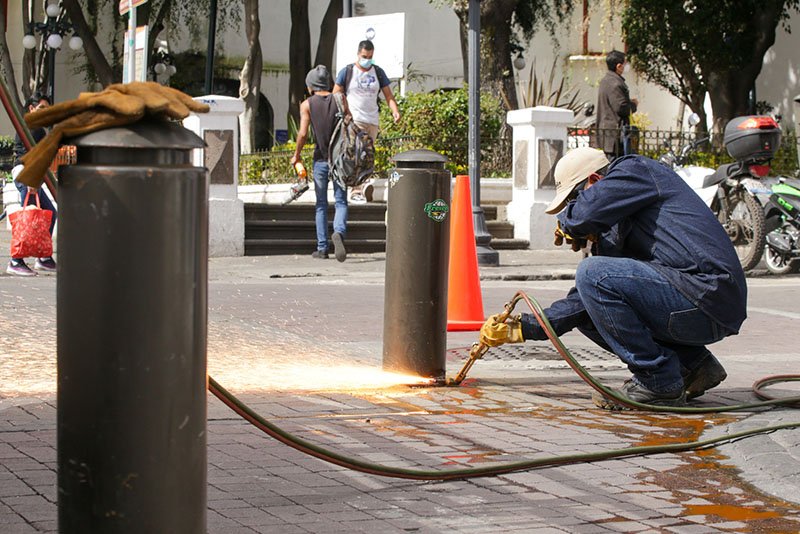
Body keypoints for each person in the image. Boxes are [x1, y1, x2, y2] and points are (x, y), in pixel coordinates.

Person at [479, 147, 745, 410]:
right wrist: (526, 327)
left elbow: (582, 220)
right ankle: (693, 366)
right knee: (592, 308)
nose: (573, 207)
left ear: (594, 180)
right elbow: (585, 300)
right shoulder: (619, 219)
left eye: (575, 198)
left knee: (591, 273)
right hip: (698, 304)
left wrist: (569, 222)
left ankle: (658, 381)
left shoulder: (635, 170)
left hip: (707, 293)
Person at [291, 65, 348, 262]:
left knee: (321, 205)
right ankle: (339, 232)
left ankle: (322, 248)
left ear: (310, 86)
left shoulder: (307, 104)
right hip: (340, 160)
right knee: (341, 201)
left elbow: (303, 133)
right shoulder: (340, 100)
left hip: (321, 160)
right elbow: (348, 124)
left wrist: (296, 155)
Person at [333, 39, 400, 204]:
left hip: (372, 120)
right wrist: (344, 113)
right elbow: (336, 93)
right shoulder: (348, 71)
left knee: (368, 155)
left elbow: (388, 95)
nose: (367, 59)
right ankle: (356, 189)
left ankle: (361, 185)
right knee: (357, 153)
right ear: (358, 54)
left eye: (370, 56)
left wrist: (395, 111)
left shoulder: (377, 72)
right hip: (355, 119)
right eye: (364, 56)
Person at [7, 92, 57, 277]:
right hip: (26, 174)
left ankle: (43, 257)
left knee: (48, 213)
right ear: (31, 108)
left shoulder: (32, 127)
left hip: (26, 173)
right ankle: (15, 261)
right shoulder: (32, 127)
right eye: (42, 108)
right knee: (27, 219)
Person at [596, 50, 638, 161]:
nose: (626, 67)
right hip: (615, 136)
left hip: (609, 135)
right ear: (619, 66)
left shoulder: (606, 81)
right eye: (625, 64)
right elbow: (621, 107)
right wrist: (633, 105)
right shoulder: (615, 83)